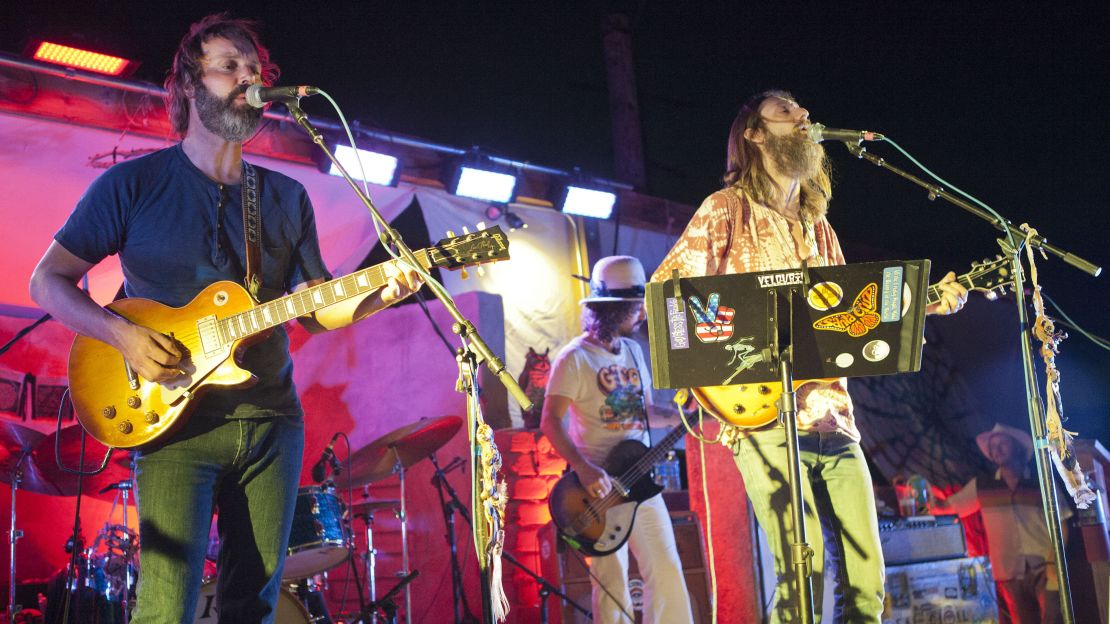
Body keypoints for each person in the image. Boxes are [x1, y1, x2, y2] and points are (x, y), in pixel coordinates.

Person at [28, 14, 421, 623]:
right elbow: (46, 281)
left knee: (253, 607)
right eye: (229, 67)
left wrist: (381, 293)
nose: (247, 79)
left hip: (271, 420)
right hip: (173, 425)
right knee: (165, 607)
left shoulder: (286, 197)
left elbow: (314, 313)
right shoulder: (134, 184)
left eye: (255, 69)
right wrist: (122, 333)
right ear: (189, 84)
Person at [650, 90, 968, 622]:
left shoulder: (820, 227)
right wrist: (730, 353)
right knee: (803, 571)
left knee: (868, 578)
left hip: (833, 417)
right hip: (763, 416)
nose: (804, 117)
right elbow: (667, 296)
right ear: (753, 134)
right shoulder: (724, 211)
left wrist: (927, 303)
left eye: (803, 111)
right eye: (786, 112)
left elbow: (853, 318)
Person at [541, 256, 694, 624]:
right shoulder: (574, 358)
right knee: (611, 583)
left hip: (639, 477)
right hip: (598, 490)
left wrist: (685, 416)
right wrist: (583, 467)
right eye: (635, 307)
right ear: (614, 310)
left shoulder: (633, 352)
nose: (642, 313)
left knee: (666, 568)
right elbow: (550, 421)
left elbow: (644, 413)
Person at [935, 423, 1066, 624]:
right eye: (993, 447)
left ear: (1018, 448)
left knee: (1055, 618)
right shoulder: (984, 486)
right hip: (1009, 571)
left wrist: (1053, 561)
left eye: (1003, 444)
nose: (996, 450)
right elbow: (947, 508)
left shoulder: (1041, 482)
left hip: (1045, 566)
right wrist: (918, 489)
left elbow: (1063, 521)